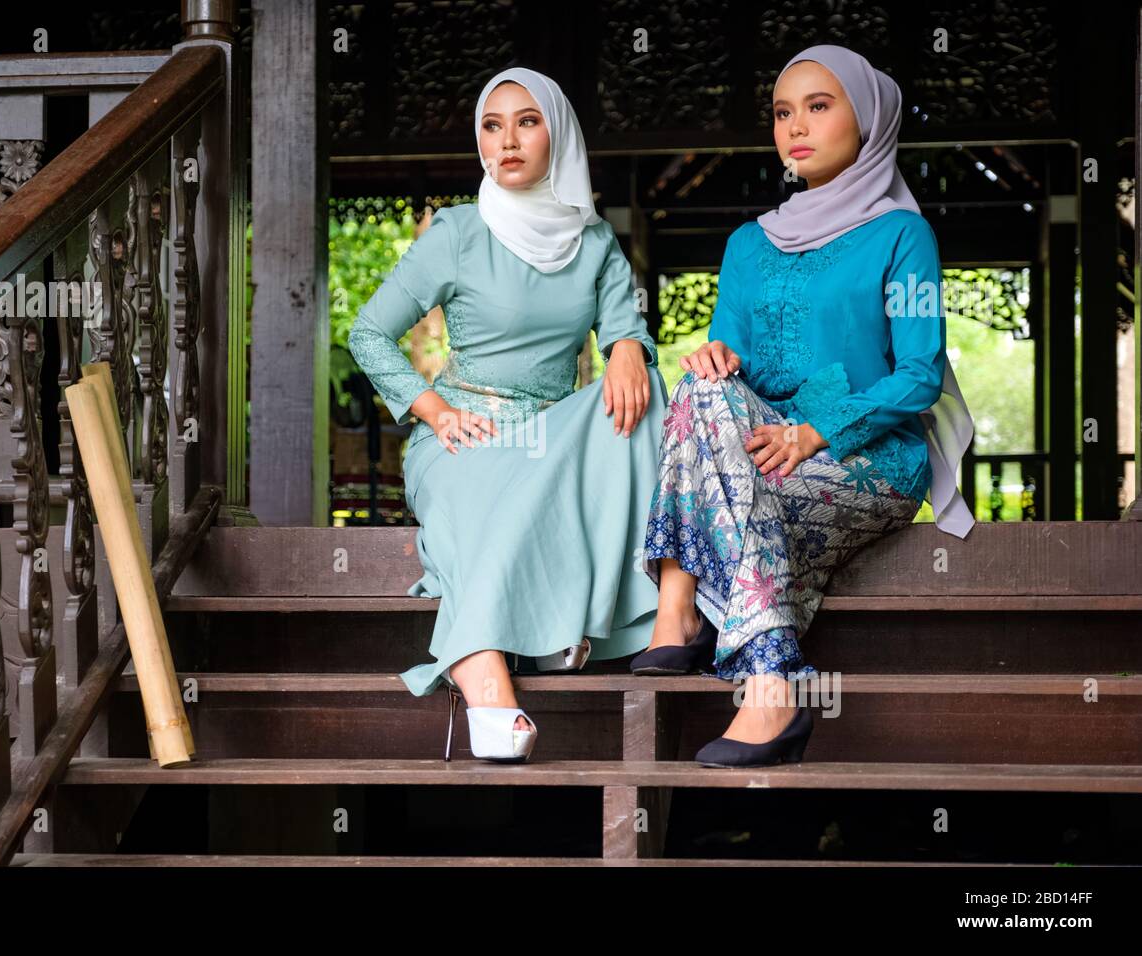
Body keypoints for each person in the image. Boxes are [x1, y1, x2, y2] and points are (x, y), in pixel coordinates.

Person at [634, 44, 976, 768]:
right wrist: (713, 357)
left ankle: (682, 603)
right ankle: (770, 685)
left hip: (866, 454)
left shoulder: (902, 235)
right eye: (783, 112)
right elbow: (727, 361)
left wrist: (818, 431)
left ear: (869, 118)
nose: (796, 126)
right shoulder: (745, 244)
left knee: (729, 503)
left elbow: (919, 376)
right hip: (757, 448)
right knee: (701, 382)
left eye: (819, 106)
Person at [348, 67, 668, 762]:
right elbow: (368, 332)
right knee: (483, 493)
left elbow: (627, 334)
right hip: (464, 430)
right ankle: (486, 675)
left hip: (551, 434)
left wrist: (627, 349)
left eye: (527, 121)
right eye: (492, 126)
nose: (507, 140)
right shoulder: (459, 232)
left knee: (651, 400)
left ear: (559, 133)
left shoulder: (593, 245)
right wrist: (430, 410)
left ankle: (593, 627)